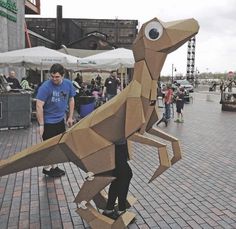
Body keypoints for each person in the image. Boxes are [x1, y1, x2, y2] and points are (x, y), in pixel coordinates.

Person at [36, 63, 76, 177]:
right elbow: (39, 105)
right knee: (49, 147)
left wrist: (70, 117)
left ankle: (54, 167)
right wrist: (41, 125)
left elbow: (71, 100)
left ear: (63, 75)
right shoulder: (46, 87)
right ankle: (47, 168)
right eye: (52, 76)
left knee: (57, 146)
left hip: (60, 120)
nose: (54, 79)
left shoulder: (68, 84)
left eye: (57, 77)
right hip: (48, 122)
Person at [103, 140, 133, 220]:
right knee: (126, 174)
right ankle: (121, 209)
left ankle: (109, 209)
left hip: (119, 145)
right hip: (114, 146)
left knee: (118, 178)